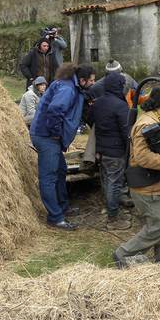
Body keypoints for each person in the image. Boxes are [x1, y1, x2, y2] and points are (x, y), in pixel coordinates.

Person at [113, 86, 160, 272]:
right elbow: (142, 158)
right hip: (146, 187)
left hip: (152, 183)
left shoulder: (155, 120)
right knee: (157, 227)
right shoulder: (146, 124)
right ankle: (123, 253)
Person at [30, 63, 96, 230]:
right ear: (82, 80)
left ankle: (62, 207)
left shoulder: (71, 86)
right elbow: (54, 110)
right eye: (92, 81)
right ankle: (55, 217)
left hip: (49, 135)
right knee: (49, 176)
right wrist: (56, 134)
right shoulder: (67, 89)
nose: (93, 83)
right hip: (46, 136)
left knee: (60, 170)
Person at [87, 72, 131, 230]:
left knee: (106, 181)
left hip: (101, 150)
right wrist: (130, 151)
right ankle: (113, 218)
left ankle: (110, 210)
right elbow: (127, 131)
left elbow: (89, 118)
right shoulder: (120, 105)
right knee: (114, 183)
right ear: (118, 86)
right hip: (115, 151)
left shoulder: (98, 103)